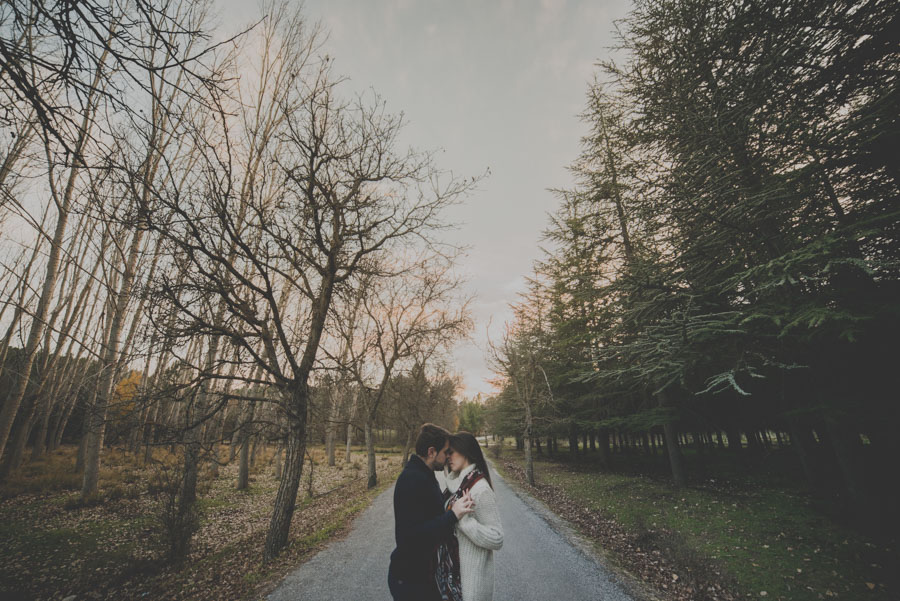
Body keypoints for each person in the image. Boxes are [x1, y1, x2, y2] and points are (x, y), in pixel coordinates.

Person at [389, 423, 476, 601]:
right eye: (445, 452)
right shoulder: (412, 479)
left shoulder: (425, 474)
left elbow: (430, 513)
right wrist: (452, 515)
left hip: (423, 576)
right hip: (409, 581)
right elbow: (409, 537)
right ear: (431, 452)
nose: (447, 457)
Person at [443, 432, 504, 601]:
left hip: (471, 582)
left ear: (466, 452)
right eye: (446, 453)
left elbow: (497, 538)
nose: (448, 457)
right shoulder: (455, 485)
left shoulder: (480, 489)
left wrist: (464, 521)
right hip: (452, 577)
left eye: (451, 452)